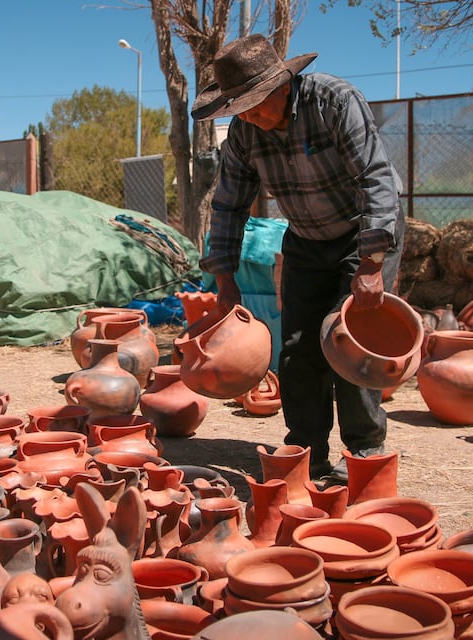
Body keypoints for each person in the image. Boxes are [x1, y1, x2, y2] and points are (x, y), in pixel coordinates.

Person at [192, 34, 405, 484]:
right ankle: (308, 452)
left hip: (361, 235)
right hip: (306, 241)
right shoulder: (247, 132)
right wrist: (224, 281)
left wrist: (371, 265)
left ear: (281, 86)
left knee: (348, 343)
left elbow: (376, 180)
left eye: (253, 104)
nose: (247, 116)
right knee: (297, 348)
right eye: (240, 108)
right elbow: (229, 205)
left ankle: (365, 453)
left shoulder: (334, 102)